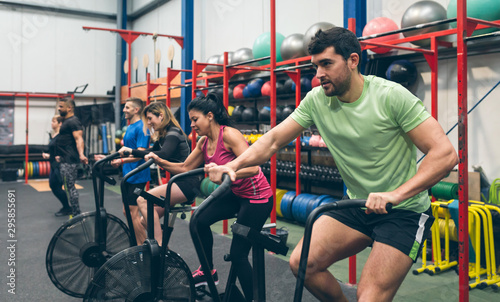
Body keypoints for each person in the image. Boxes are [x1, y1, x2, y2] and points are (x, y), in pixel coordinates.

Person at [207, 27, 458, 302]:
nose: (319, 74)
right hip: (357, 204)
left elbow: (445, 154)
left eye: (327, 64)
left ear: (353, 61)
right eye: (315, 66)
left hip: (403, 211)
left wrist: (394, 195)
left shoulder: (390, 96)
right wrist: (234, 165)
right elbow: (273, 140)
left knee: (370, 296)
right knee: (302, 263)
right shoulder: (317, 100)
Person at [144, 93, 273, 300]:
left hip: (256, 197)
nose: (192, 125)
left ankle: (254, 299)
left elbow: (254, 168)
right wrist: (158, 160)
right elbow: (185, 167)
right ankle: (208, 271)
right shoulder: (203, 142)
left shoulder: (229, 135)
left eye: (195, 119)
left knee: (238, 255)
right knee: (198, 221)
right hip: (236, 193)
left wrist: (224, 171)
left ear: (210, 116)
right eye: (191, 120)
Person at [118, 101, 199, 246]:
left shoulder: (173, 133)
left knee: (142, 200)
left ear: (161, 116)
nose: (149, 123)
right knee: (144, 221)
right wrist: (130, 152)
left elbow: (163, 154)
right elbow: (150, 151)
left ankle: (161, 248)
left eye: (150, 118)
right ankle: (160, 245)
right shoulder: (164, 135)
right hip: (177, 182)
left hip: (187, 183)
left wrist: (133, 152)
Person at [96, 97, 151, 244]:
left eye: (127, 107)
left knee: (132, 213)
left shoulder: (142, 128)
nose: (124, 110)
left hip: (138, 175)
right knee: (127, 212)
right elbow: (125, 151)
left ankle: (144, 248)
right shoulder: (130, 127)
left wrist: (121, 161)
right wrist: (109, 157)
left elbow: (141, 153)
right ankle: (139, 243)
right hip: (128, 174)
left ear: (136, 110)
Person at [57, 98, 88, 217]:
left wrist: (81, 154)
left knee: (70, 187)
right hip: (65, 159)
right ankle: (74, 212)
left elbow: (79, 138)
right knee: (68, 187)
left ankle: (76, 214)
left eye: (61, 106)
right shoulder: (67, 121)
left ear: (69, 108)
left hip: (70, 161)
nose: (59, 109)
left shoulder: (74, 121)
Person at [42, 115, 72, 216]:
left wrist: (58, 157)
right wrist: (48, 155)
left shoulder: (62, 136)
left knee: (56, 186)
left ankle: (67, 207)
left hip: (59, 165)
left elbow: (64, 151)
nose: (51, 123)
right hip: (53, 164)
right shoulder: (54, 135)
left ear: (60, 123)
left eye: (54, 121)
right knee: (53, 185)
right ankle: (66, 207)